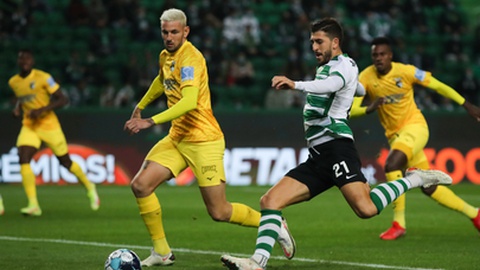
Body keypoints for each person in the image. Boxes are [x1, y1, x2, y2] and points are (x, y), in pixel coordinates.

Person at [220, 18, 452, 270]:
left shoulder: (341, 66)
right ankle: (257, 262)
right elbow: (358, 89)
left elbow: (332, 85)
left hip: (336, 147)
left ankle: (415, 179)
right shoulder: (337, 66)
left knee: (366, 209)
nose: (314, 47)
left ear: (335, 42)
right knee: (270, 201)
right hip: (318, 155)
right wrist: (357, 87)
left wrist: (295, 84)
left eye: (319, 41)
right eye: (312, 42)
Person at [122, 8, 294, 267]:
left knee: (219, 211)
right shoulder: (165, 56)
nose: (169, 37)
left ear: (186, 31)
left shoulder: (190, 59)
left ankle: (272, 223)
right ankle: (162, 252)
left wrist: (149, 120)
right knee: (141, 185)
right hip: (178, 138)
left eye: (174, 32)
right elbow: (162, 80)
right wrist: (141, 104)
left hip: (204, 140)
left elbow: (190, 101)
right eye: (165, 32)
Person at [350, 36, 480, 240]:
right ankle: (475, 214)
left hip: (415, 127)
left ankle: (398, 223)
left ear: (390, 55)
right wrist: (369, 108)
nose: (378, 58)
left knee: (392, 165)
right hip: (396, 137)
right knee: (430, 187)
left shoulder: (406, 71)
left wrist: (466, 105)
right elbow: (351, 110)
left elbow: (438, 86)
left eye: (382, 54)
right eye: (375, 55)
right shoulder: (366, 77)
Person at [8, 49, 100, 216]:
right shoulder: (13, 82)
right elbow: (22, 98)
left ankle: (89, 186)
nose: (25, 62)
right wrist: (17, 109)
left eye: (28, 59)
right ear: (18, 62)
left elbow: (63, 99)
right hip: (29, 125)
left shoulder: (44, 77)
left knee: (65, 162)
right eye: (22, 59)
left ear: (32, 62)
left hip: (49, 125)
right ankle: (33, 204)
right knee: (23, 157)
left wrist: (42, 110)